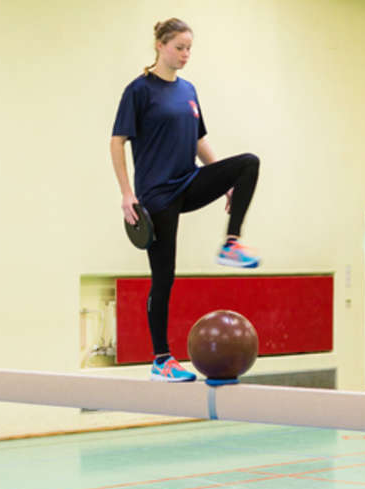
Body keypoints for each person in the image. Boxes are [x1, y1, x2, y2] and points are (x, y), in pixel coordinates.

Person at [110, 18, 261, 382]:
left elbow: (198, 140)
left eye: (190, 48)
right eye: (179, 47)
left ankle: (231, 243)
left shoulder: (188, 90)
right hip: (157, 195)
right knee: (164, 277)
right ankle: (162, 359)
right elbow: (117, 142)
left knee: (247, 164)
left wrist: (224, 181)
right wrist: (127, 193)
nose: (185, 54)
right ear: (160, 46)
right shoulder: (139, 90)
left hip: (189, 181)